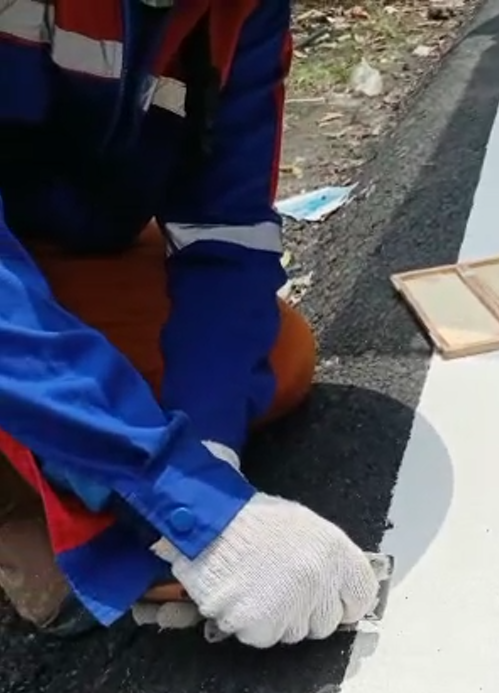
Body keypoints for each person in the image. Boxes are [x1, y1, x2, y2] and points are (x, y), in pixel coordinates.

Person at [0, 0, 379, 649]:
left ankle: (71, 483)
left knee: (277, 356)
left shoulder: (242, 12)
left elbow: (226, 238)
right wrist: (187, 504)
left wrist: (207, 452)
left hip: (48, 249)